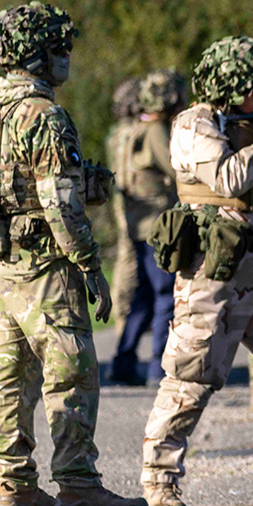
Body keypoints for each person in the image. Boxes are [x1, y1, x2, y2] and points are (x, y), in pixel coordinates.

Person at [0, 1, 143, 506]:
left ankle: (14, 487)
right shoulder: (43, 113)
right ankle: (79, 486)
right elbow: (58, 204)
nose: (68, 58)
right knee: (72, 370)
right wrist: (90, 266)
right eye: (62, 47)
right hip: (42, 265)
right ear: (40, 54)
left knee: (10, 373)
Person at [140, 36, 253, 506]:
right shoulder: (194, 124)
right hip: (214, 273)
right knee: (191, 378)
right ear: (232, 88)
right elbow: (230, 178)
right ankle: (160, 484)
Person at [107, 69, 183, 386]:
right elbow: (176, 167)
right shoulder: (155, 131)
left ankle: (123, 363)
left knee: (142, 298)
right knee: (165, 296)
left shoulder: (128, 130)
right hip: (158, 226)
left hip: (138, 226)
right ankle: (157, 368)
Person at [106, 76, 144, 355]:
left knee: (127, 259)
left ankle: (124, 323)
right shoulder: (131, 132)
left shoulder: (117, 133)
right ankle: (123, 325)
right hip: (136, 205)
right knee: (129, 262)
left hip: (126, 204)